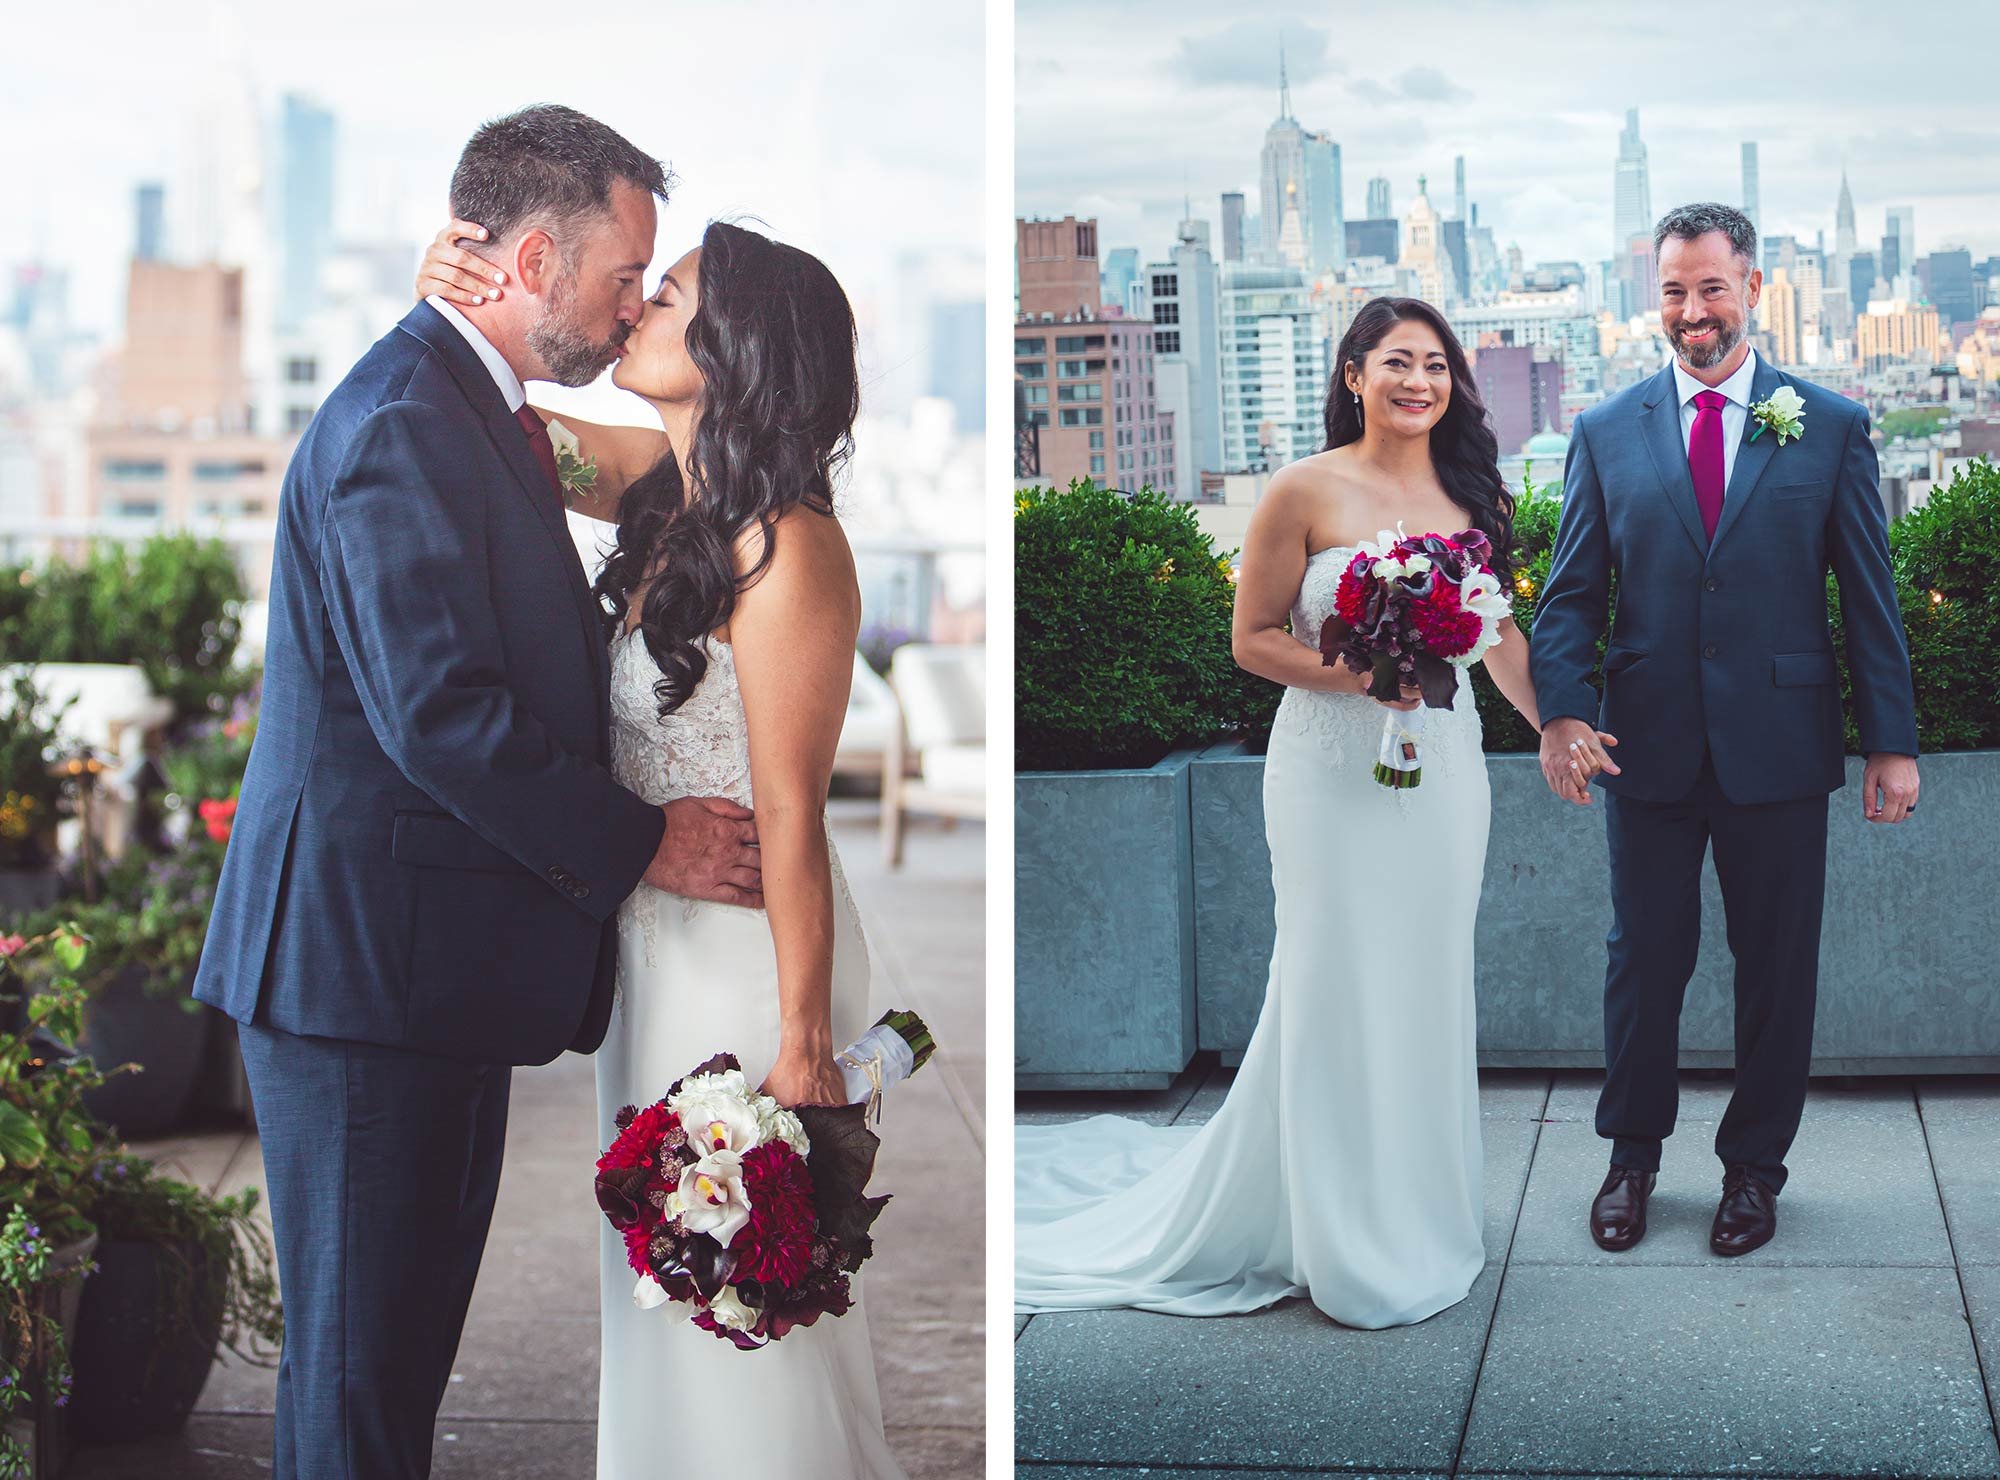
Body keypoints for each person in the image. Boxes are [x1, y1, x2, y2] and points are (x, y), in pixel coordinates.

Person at [194, 105, 762, 1479]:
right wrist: (646, 846)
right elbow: (441, 718)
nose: (636, 300)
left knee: (389, 1374)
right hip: (360, 982)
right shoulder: (404, 420)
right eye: (624, 272)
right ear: (526, 263)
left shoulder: (474, 408)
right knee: (355, 1389)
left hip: (419, 974)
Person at [418, 211, 906, 1475]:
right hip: (650, 949)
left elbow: (796, 813)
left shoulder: (789, 549)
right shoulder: (662, 493)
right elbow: (497, 408)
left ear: (737, 346)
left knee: (731, 1273)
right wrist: (451, 290)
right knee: (661, 1263)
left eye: (666, 294)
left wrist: (802, 1047)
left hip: (745, 956)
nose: (633, 308)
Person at [1014, 297, 1571, 1328]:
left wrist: (1551, 726)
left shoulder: (1470, 494)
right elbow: (1251, 638)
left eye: (1436, 365)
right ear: (1352, 373)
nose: (1419, 381)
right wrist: (1362, 676)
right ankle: (1328, 1224)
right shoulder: (1300, 489)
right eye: (1396, 362)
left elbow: (1497, 643)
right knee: (1328, 971)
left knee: (1425, 974)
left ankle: (1415, 1206)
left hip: (1441, 774)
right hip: (1325, 771)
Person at [1531, 201, 1920, 1259]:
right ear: (1650, 298)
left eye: (1709, 286)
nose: (1690, 309)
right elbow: (1569, 597)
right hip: (1641, 745)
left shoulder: (1827, 423)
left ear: (1751, 288)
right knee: (1641, 960)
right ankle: (1630, 1159)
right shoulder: (1604, 431)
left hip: (1781, 748)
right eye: (1671, 289)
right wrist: (1561, 712)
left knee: (1776, 967)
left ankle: (1752, 1171)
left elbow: (1866, 596)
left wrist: (1890, 741)